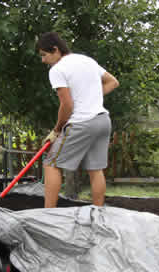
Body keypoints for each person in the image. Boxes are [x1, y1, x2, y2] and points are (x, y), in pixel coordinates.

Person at [36, 32, 120, 208]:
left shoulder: (57, 70)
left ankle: (47, 215)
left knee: (51, 164)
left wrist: (57, 129)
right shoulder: (86, 60)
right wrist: (91, 96)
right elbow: (113, 82)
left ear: (56, 50)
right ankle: (98, 213)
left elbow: (67, 105)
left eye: (44, 55)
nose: (43, 60)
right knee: (95, 169)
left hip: (82, 123)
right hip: (103, 121)